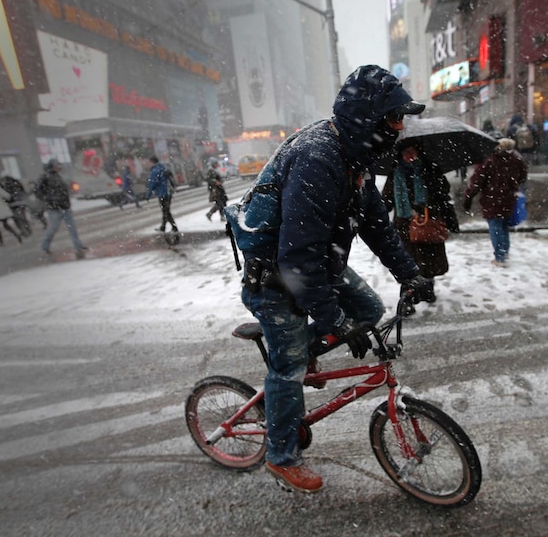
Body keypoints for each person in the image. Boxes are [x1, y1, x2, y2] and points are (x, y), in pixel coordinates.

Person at [225, 65, 434, 493]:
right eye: (394, 118)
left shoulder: (353, 158)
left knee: (370, 310)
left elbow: (377, 225)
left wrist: (411, 274)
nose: (399, 128)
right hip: (275, 276)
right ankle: (281, 456)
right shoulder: (320, 158)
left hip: (318, 265)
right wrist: (332, 320)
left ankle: (309, 354)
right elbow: (296, 256)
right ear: (368, 118)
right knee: (288, 368)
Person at [382, 144, 459, 298]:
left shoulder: (430, 170)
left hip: (427, 221)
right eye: (405, 152)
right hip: (404, 224)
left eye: (412, 151)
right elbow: (386, 199)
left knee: (428, 260)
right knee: (407, 261)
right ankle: (408, 297)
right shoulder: (395, 173)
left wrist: (433, 208)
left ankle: (428, 289)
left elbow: (443, 194)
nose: (409, 155)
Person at [462, 137, 528, 267]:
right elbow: (523, 177)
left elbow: (477, 181)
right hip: (509, 198)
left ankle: (499, 257)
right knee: (504, 225)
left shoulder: (489, 159)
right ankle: (504, 252)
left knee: (495, 226)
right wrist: (511, 186)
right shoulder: (516, 158)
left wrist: (468, 197)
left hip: (492, 198)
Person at [36, 159, 88, 259]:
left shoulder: (58, 176)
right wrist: (49, 199)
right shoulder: (46, 177)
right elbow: (38, 191)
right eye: (57, 165)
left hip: (64, 206)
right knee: (53, 227)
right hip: (55, 207)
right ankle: (45, 246)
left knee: (72, 228)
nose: (59, 167)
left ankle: (78, 246)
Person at [145, 155, 178, 233]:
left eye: (149, 162)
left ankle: (169, 227)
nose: (148, 164)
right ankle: (167, 227)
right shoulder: (163, 167)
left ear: (152, 162)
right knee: (166, 211)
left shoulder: (155, 171)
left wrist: (148, 194)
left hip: (163, 193)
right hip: (168, 192)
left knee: (165, 211)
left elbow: (152, 183)